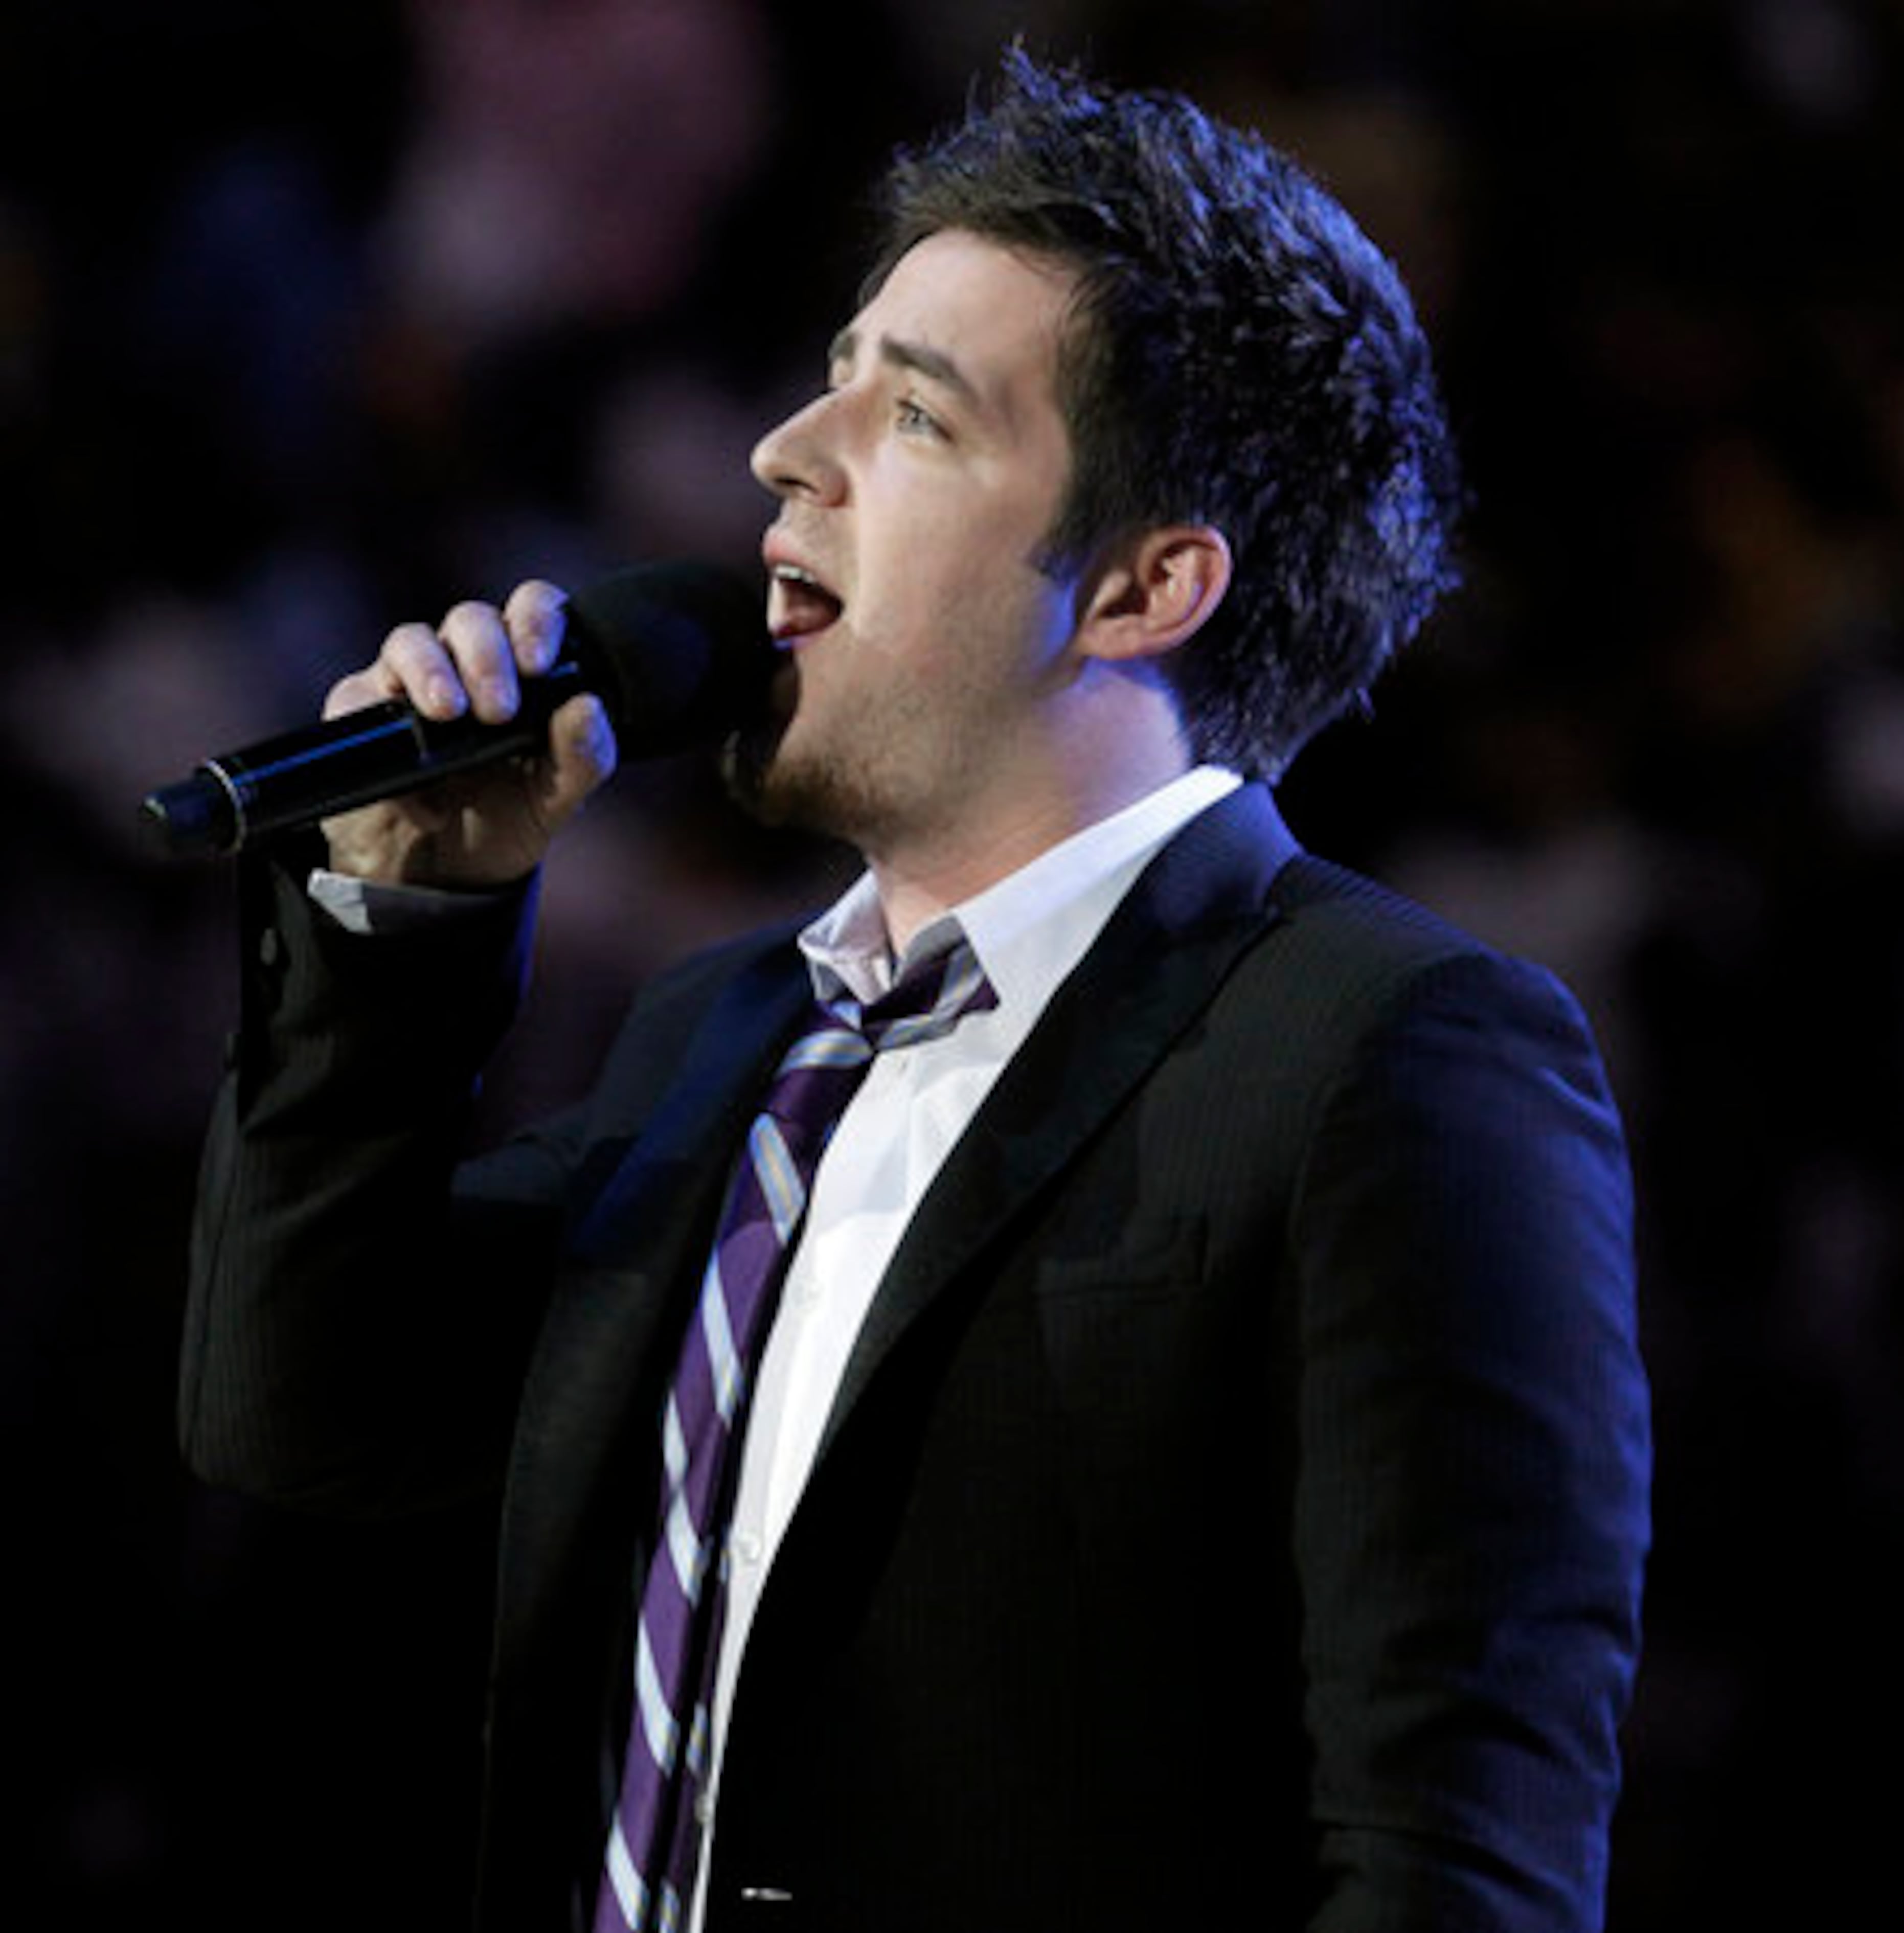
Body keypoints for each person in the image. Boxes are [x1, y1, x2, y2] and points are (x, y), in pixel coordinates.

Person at [179, 47, 1650, 1933]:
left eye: (920, 417)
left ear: (1144, 588)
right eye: (831, 377)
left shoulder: (1386, 1057)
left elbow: (1451, 1869)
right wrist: (409, 929)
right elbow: (306, 1418)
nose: (790, 455)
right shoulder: (727, 1042)